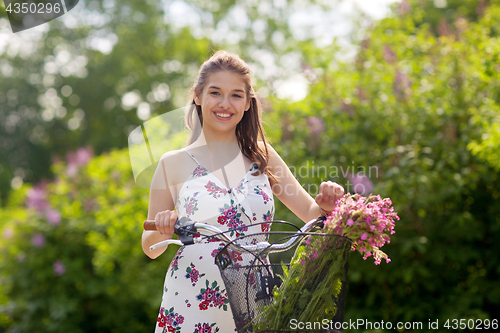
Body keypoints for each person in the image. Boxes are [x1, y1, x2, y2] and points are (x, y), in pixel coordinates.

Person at [141, 50, 345, 332]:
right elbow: (149, 246)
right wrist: (164, 228)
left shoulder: (263, 156)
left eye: (236, 95)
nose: (225, 104)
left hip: (255, 298)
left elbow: (312, 214)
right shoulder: (172, 163)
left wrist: (327, 205)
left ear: (248, 103)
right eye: (215, 93)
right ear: (198, 96)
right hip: (192, 297)